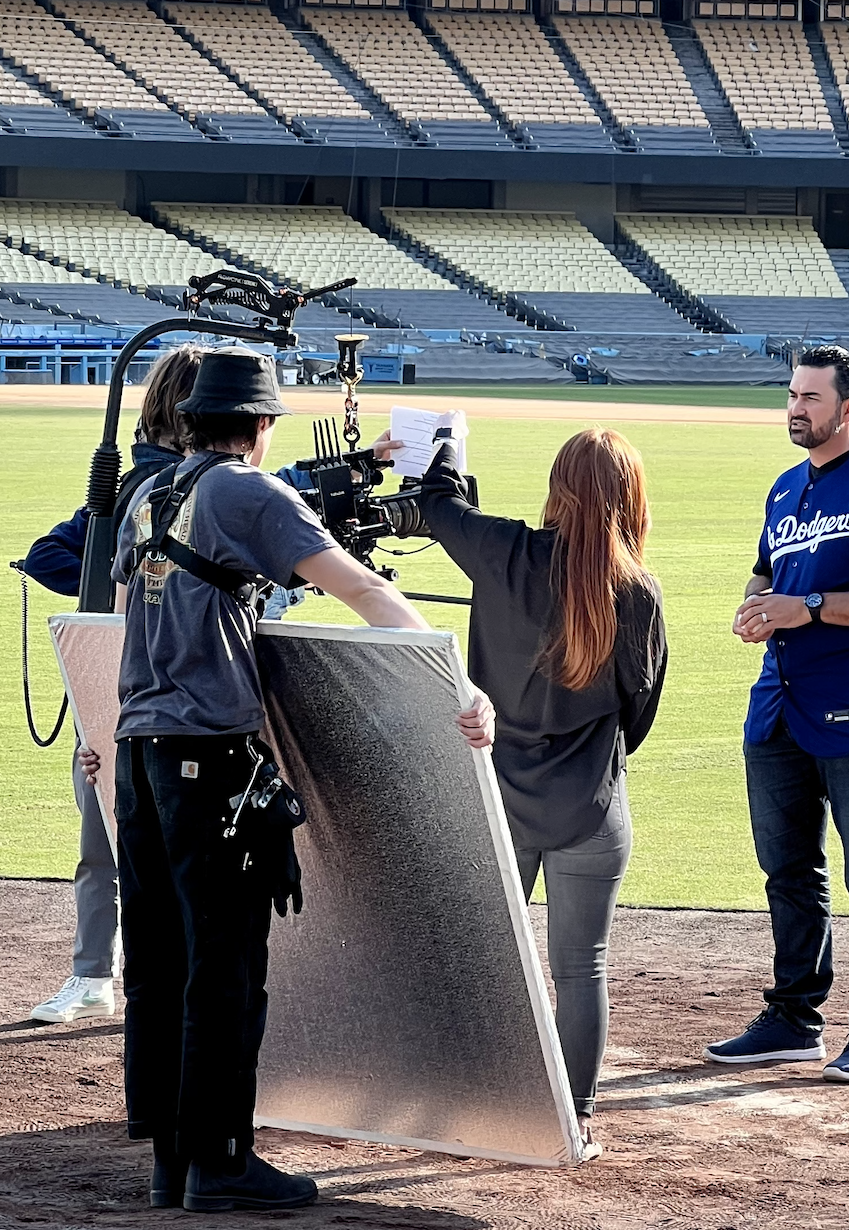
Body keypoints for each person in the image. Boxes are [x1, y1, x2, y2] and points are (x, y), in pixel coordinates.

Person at [106, 349, 494, 1213]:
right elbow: (360, 589)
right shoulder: (246, 492)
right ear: (263, 425)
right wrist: (457, 684)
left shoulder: (149, 493)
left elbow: (133, 622)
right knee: (226, 965)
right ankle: (224, 1162)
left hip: (141, 758)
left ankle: (175, 1161)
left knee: (162, 963)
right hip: (206, 758)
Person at [419, 422, 667, 1158]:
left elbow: (435, 502)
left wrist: (448, 442)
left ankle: (471, 1103)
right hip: (590, 806)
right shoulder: (637, 594)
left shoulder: (503, 552)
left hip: (498, 797)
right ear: (631, 499)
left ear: (557, 489)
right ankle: (573, 1118)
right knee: (580, 966)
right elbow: (638, 712)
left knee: (484, 959)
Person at [706, 344, 849, 1083]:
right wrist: (755, 607)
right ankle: (793, 1018)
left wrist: (806, 608)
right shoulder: (785, 489)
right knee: (788, 868)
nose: (796, 408)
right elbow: (768, 570)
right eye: (792, 395)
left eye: (811, 397)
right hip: (778, 704)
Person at [24, 344, 203, 1025]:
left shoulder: (166, 482)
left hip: (137, 679)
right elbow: (47, 553)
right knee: (112, 832)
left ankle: (97, 972)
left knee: (110, 837)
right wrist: (120, 588)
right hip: (135, 677)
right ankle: (98, 974)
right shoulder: (141, 487)